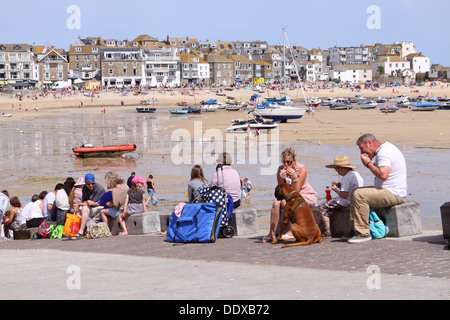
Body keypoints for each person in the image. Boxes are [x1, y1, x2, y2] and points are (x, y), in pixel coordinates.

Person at [348, 133, 407, 244]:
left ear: (369, 143)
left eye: (362, 148)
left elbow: (383, 175)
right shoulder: (384, 150)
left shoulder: (384, 153)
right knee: (355, 192)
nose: (361, 152)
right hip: (390, 190)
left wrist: (368, 164)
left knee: (359, 194)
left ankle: (363, 233)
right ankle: (355, 229)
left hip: (394, 193)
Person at [263, 147, 317, 243]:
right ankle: (271, 233)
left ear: (295, 160)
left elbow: (295, 192)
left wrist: (295, 178)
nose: (286, 165)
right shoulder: (281, 169)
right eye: (284, 162)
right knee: (276, 203)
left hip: (303, 194)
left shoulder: (302, 169)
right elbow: (280, 190)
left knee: (286, 203)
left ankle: (291, 231)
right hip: (288, 196)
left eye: (289, 162)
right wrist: (281, 178)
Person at [320, 155, 364, 237]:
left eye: (337, 169)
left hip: (345, 201)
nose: (337, 172)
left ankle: (327, 230)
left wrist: (335, 190)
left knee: (323, 207)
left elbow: (344, 195)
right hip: (354, 199)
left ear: (342, 168)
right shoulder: (356, 175)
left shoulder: (346, 177)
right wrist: (341, 187)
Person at [71, 173, 105, 239]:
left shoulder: (99, 189)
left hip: (99, 206)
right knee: (78, 211)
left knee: (84, 208)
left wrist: (79, 204)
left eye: (92, 183)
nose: (90, 185)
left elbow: (93, 203)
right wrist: (83, 204)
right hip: (90, 206)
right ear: (85, 183)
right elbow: (85, 201)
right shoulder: (84, 188)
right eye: (88, 184)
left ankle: (81, 232)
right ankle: (79, 231)